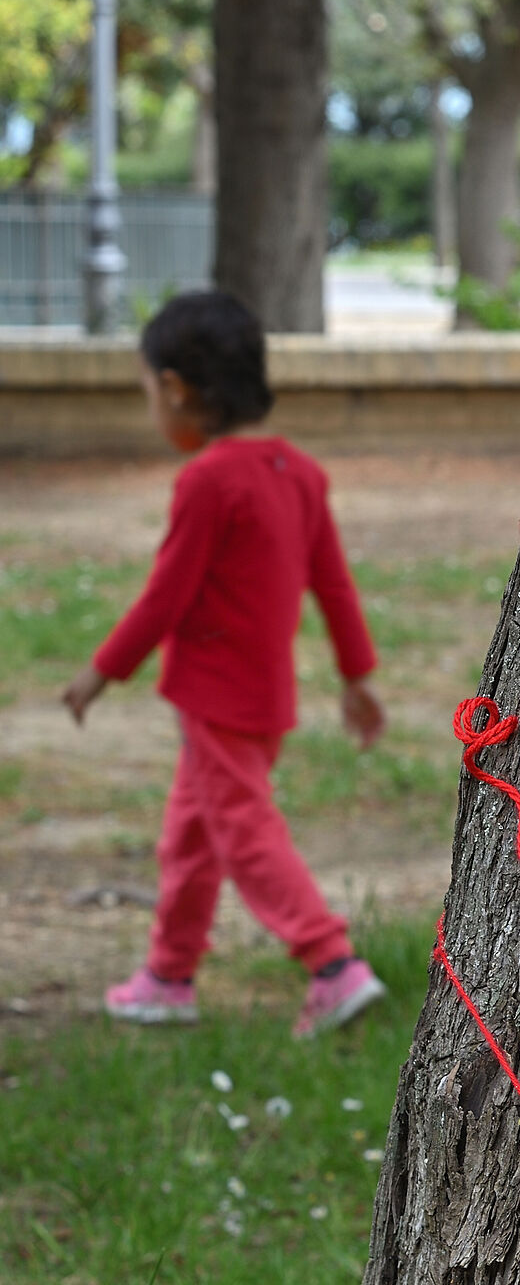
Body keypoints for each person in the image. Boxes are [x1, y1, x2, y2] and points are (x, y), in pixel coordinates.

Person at [61, 290, 389, 1039]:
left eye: (150, 392)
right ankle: (170, 977)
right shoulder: (297, 472)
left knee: (242, 831)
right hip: (263, 699)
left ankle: (331, 963)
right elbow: (333, 585)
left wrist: (100, 673)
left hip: (214, 698)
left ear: (177, 390)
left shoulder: (209, 481)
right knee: (192, 836)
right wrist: (357, 678)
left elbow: (163, 599)